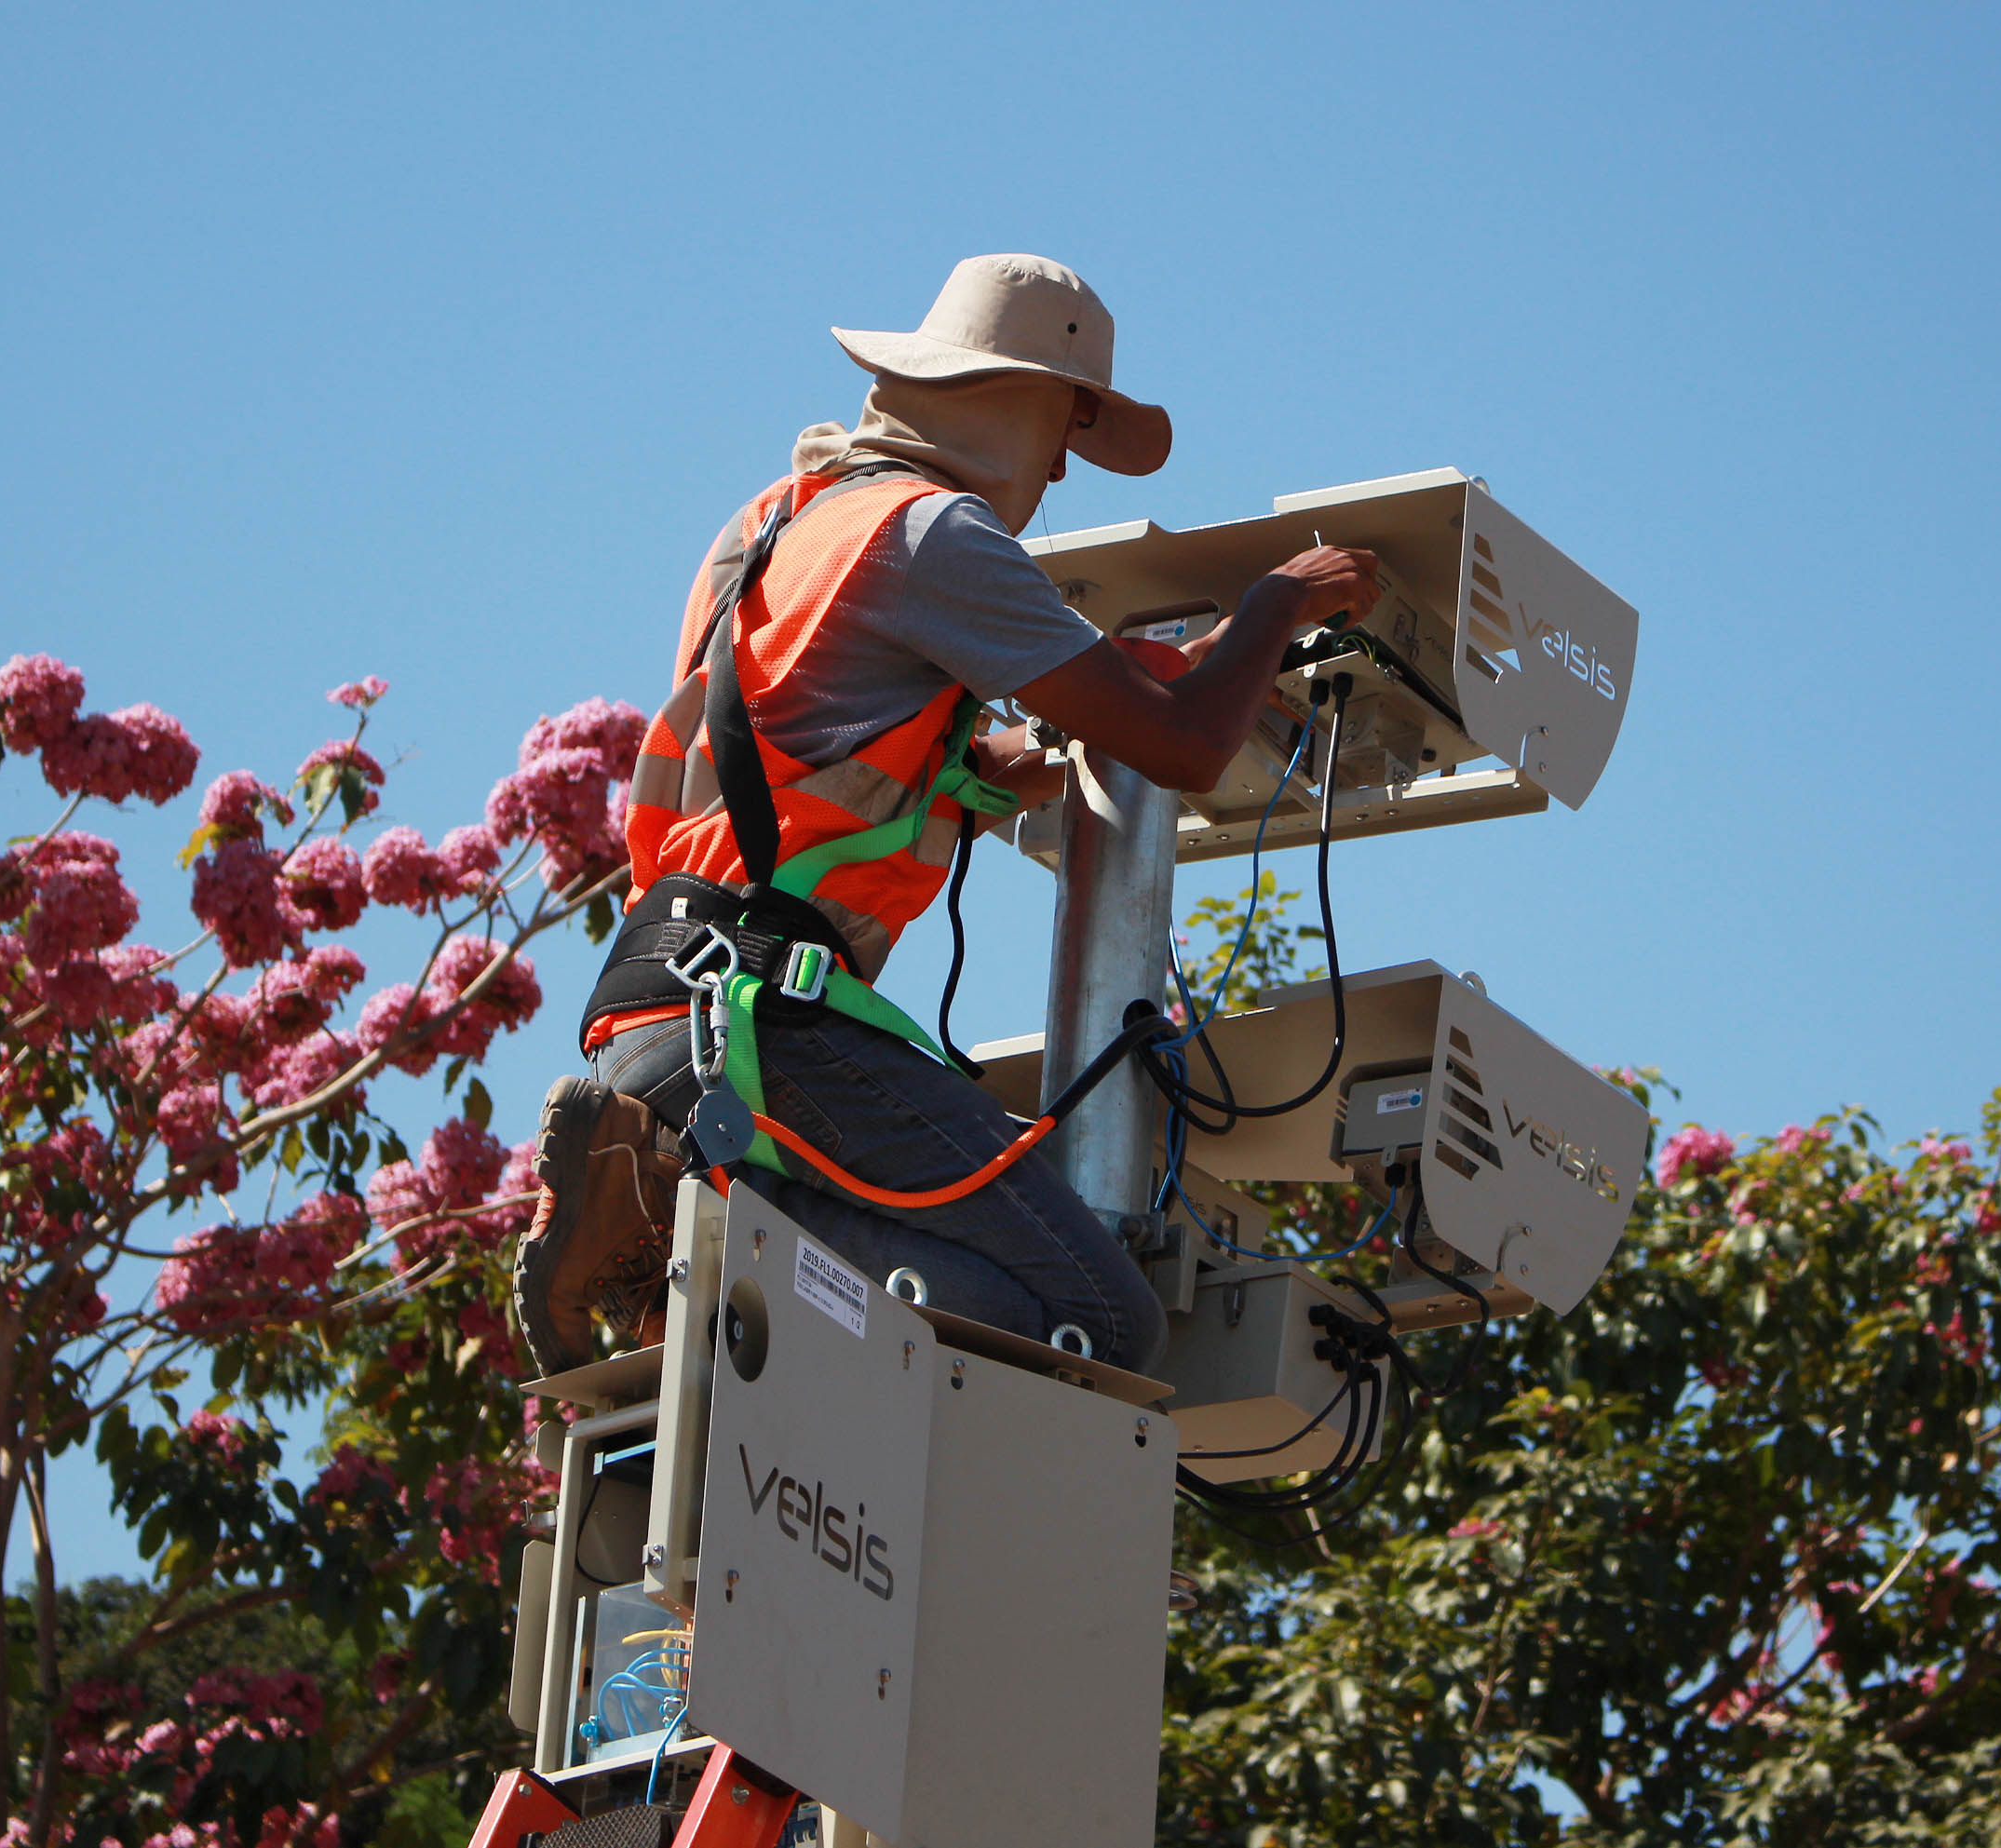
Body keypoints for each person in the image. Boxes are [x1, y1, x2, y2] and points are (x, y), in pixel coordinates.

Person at [511, 254, 1376, 1377]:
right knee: (1097, 1327)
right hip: (764, 1023)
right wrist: (1279, 601)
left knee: (786, 1380)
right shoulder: (931, 534)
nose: (1062, 464)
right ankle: (691, 1247)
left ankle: (669, 1248)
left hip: (654, 1026)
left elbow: (898, 764)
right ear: (1011, 400)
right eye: (1066, 425)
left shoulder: (776, 522)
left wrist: (1146, 691)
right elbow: (1189, 747)